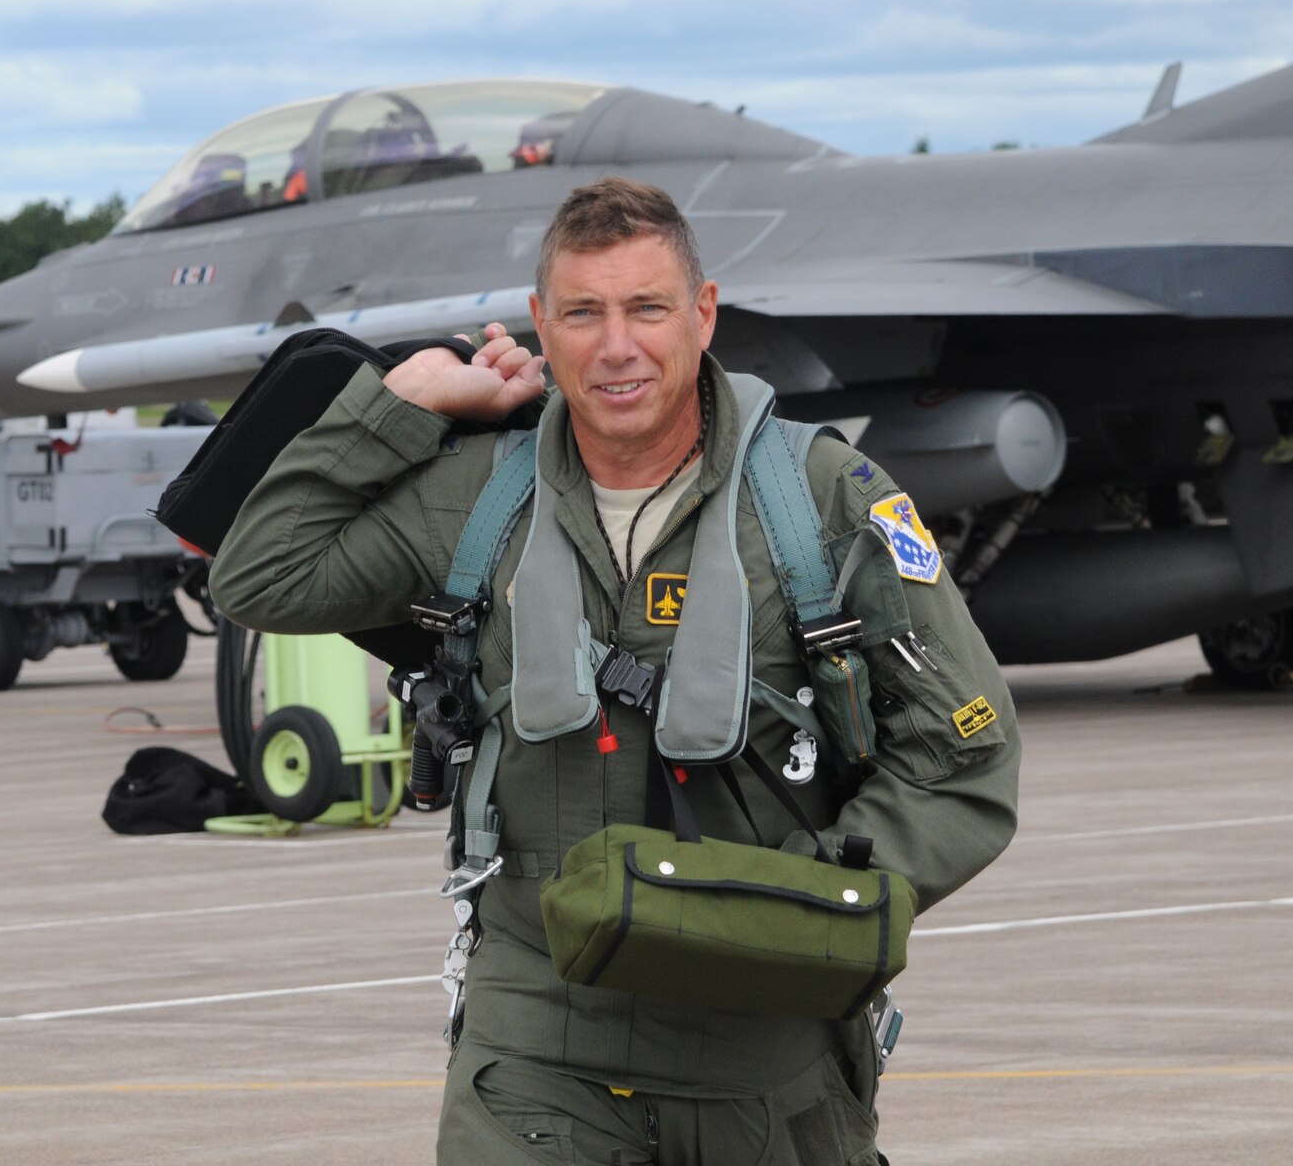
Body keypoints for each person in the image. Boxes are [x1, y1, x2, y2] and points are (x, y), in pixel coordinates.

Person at [211, 176, 1019, 1165]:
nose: (616, 345)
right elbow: (259, 575)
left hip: (764, 1048)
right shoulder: (473, 497)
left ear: (703, 313)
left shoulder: (822, 504)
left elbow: (965, 747)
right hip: (536, 1049)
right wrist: (406, 401)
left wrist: (811, 904)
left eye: (646, 307)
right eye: (582, 313)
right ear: (540, 327)